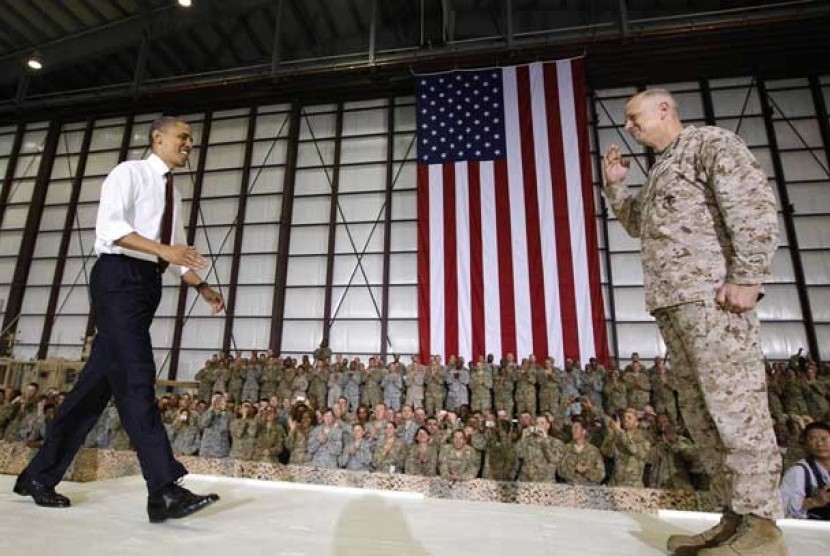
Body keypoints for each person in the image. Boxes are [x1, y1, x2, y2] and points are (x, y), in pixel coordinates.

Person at [14, 116, 223, 523]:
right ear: (157, 138)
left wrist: (201, 286)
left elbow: (176, 253)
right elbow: (111, 228)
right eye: (183, 137)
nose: (188, 145)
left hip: (147, 285)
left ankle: (38, 476)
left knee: (94, 389)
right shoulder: (129, 173)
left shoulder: (174, 193)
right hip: (118, 276)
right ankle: (163, 489)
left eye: (191, 140)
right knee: (137, 376)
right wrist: (165, 250)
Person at [603, 89, 784, 554]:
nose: (628, 126)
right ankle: (734, 517)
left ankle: (762, 527)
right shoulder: (663, 166)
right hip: (676, 306)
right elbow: (637, 224)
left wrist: (747, 275)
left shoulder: (709, 145)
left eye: (633, 116)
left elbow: (753, 208)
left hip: (715, 303)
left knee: (735, 410)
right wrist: (615, 186)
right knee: (703, 417)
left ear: (664, 108)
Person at [780, 422, 830, 520]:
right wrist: (814, 501)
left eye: (824, 439)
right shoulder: (798, 472)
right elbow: (782, 508)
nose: (819, 444)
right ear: (806, 444)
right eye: (812, 439)